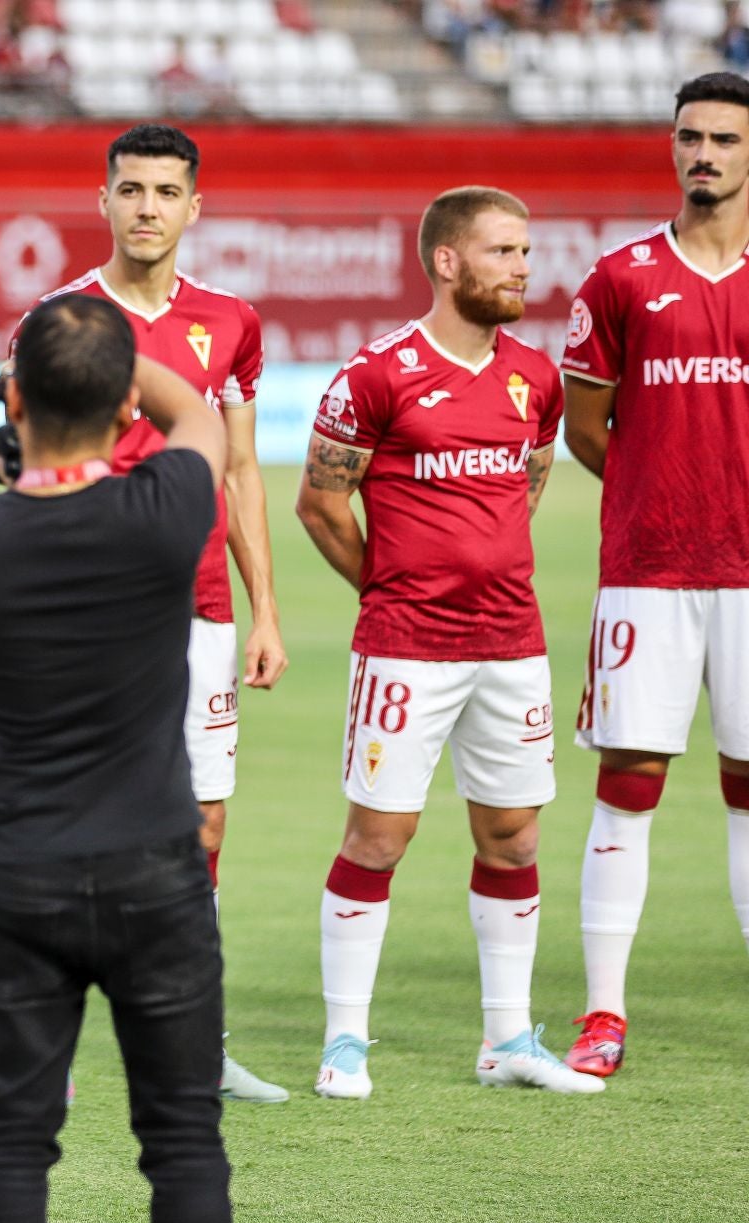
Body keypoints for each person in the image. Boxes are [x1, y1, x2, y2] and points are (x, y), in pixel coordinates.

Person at [0, 293, 232, 1223]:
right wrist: (123, 362)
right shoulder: (166, 512)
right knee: (184, 1144)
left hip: (21, 878)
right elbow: (203, 418)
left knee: (12, 1145)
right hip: (157, 871)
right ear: (121, 411)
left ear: (13, 400)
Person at [0, 122, 288, 1103]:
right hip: (91, 615)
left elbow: (240, 470)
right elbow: (12, 457)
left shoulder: (231, 322)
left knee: (200, 823)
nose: (148, 207)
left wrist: (265, 610)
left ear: (194, 207)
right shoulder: (59, 318)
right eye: (132, 190)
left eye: (167, 191)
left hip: (197, 611)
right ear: (104, 200)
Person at [294, 186, 596, 1099]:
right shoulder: (377, 374)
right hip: (405, 647)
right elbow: (320, 501)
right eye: (503, 251)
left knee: (512, 834)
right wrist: (391, 586)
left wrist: (479, 571)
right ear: (448, 261)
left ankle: (508, 1040)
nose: (522, 267)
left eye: (525, 251)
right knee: (380, 835)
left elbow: (528, 484)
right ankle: (345, 1041)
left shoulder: (535, 379)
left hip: (513, 642)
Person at [560, 71, 749, 1079]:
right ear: (671, 147)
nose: (704, 154)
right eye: (690, 137)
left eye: (723, 138)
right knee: (628, 784)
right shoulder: (622, 278)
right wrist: (659, 480)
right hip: (650, 569)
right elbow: (587, 428)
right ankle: (603, 1013)